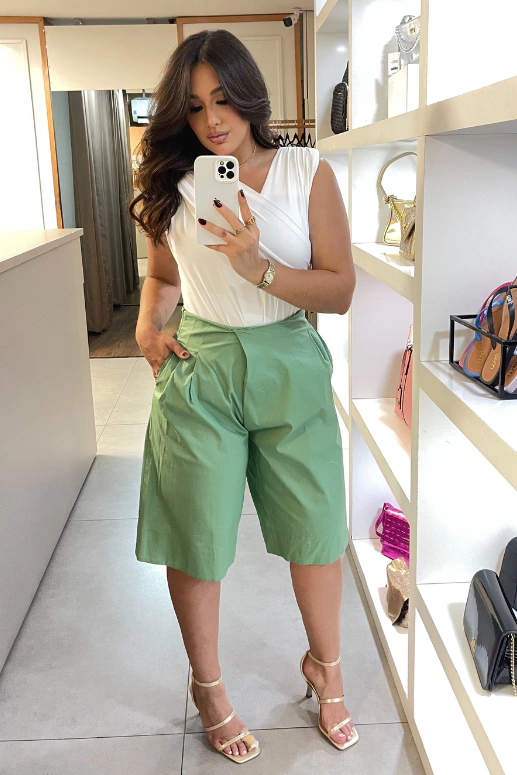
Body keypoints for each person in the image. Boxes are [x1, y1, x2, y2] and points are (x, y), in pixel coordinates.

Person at [129, 28, 357, 764]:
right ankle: (209, 687)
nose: (211, 120)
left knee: (316, 527)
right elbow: (163, 276)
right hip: (202, 364)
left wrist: (259, 267)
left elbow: (340, 289)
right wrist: (146, 325)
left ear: (249, 95)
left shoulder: (304, 171)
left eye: (222, 99)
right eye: (195, 107)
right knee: (197, 536)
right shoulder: (177, 182)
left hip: (288, 356)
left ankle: (326, 668)